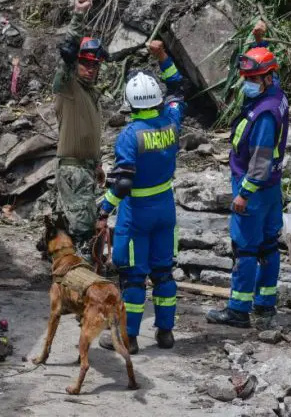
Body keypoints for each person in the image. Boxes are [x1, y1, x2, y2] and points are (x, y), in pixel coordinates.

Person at [96, 40, 186, 354]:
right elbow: (177, 87)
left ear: (132, 104)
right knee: (163, 273)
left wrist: (104, 208)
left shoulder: (129, 136)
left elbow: (122, 184)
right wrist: (162, 57)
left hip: (137, 215)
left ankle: (129, 338)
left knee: (133, 278)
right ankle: (165, 333)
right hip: (166, 209)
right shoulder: (172, 123)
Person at [206, 23, 289, 328]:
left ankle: (238, 309)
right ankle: (265, 304)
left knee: (246, 248)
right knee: (269, 245)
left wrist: (244, 193)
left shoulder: (265, 114)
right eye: (246, 79)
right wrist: (260, 41)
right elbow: (271, 68)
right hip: (271, 189)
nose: (247, 84)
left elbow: (260, 160)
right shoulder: (275, 93)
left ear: (265, 79)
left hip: (254, 189)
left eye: (253, 79)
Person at [51, 0, 108, 250]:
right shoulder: (68, 87)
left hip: (85, 169)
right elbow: (67, 53)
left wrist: (96, 164)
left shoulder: (91, 94)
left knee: (79, 225)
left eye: (94, 65)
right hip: (73, 170)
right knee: (81, 228)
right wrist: (78, 16)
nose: (90, 69)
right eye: (85, 64)